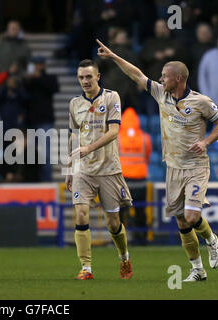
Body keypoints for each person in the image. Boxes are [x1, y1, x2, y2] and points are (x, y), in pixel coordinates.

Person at [96, 38, 218, 282]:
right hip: (173, 167)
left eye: (164, 76)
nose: (160, 79)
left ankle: (211, 239)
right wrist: (114, 57)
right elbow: (136, 75)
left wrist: (205, 142)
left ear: (178, 78)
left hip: (196, 167)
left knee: (191, 216)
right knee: (181, 221)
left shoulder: (201, 102)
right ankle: (198, 270)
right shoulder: (161, 95)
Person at [65, 59, 133, 281]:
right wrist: (69, 168)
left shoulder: (111, 97)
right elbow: (73, 136)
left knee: (112, 223)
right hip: (83, 170)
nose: (84, 81)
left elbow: (114, 131)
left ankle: (124, 257)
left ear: (98, 77)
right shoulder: (75, 103)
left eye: (88, 76)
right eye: (81, 77)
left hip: (108, 168)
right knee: (81, 213)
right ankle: (86, 268)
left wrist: (89, 148)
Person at [118, 107, 152, 245]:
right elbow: (147, 156)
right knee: (140, 210)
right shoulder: (145, 138)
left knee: (120, 211)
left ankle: (119, 238)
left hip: (123, 180)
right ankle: (142, 236)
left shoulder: (117, 138)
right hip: (140, 180)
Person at [23, 56, 59, 182]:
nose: (37, 67)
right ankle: (34, 181)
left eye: (39, 64)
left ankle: (47, 183)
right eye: (35, 64)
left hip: (45, 121)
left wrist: (38, 78)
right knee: (30, 155)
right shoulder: (28, 81)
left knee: (46, 155)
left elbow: (54, 88)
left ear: (43, 65)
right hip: (30, 122)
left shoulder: (49, 78)